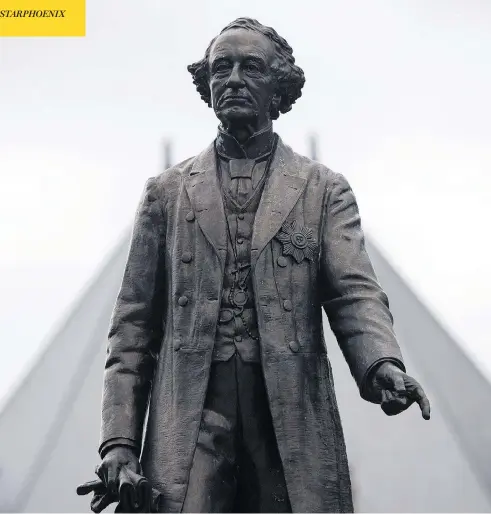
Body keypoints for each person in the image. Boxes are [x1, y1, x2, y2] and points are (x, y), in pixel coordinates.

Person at [88, 17, 430, 513]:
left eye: (250, 68)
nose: (232, 80)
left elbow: (354, 292)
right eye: (220, 68)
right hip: (191, 416)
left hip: (287, 412)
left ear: (280, 88)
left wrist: (382, 363)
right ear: (206, 86)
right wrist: (118, 442)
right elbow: (132, 329)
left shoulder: (322, 189)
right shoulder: (165, 194)